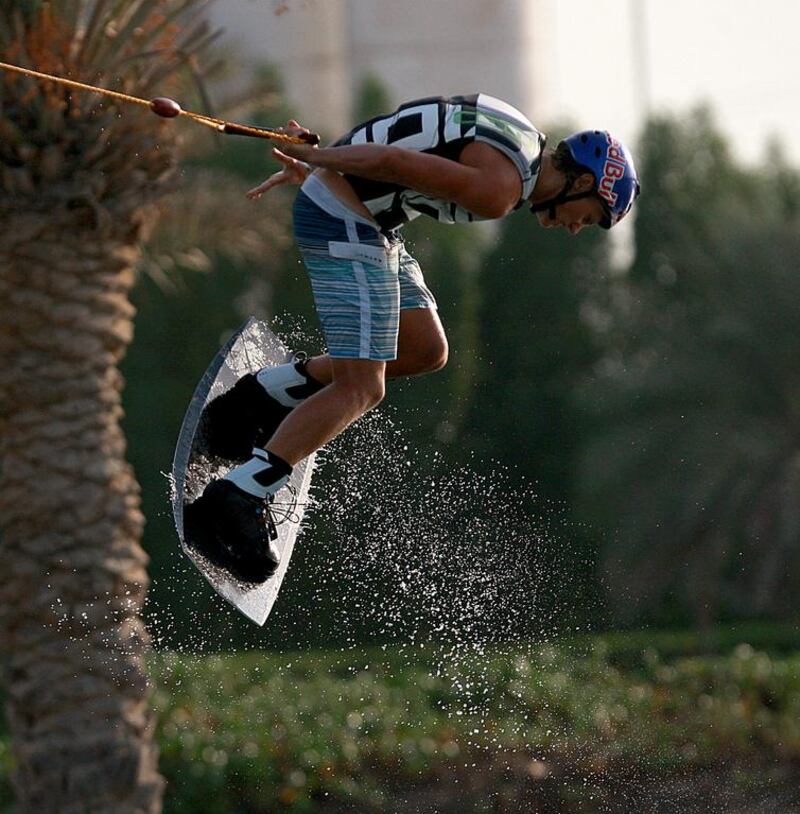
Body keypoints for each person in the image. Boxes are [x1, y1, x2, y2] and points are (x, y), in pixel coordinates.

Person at [185, 93, 640, 582]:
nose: (575, 228)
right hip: (345, 218)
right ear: (583, 181)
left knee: (425, 349)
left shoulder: (522, 137)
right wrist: (319, 161)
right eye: (587, 216)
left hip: (366, 215)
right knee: (363, 386)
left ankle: (260, 397)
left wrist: (327, 167)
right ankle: (238, 497)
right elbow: (393, 159)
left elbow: (404, 140)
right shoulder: (500, 189)